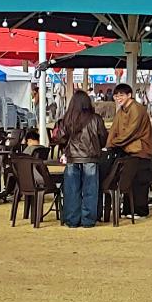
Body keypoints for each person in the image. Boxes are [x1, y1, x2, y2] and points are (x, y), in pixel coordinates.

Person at [53, 90, 108, 228]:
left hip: (72, 158)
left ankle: (72, 220)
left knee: (71, 190)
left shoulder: (67, 119)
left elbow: (60, 138)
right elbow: (103, 138)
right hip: (91, 158)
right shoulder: (96, 119)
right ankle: (88, 220)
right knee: (90, 190)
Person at [106, 83, 152, 218]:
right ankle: (128, 209)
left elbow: (131, 131)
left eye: (121, 95)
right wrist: (108, 145)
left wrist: (114, 143)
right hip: (128, 151)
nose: (118, 98)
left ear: (129, 95)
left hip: (141, 150)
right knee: (129, 180)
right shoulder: (121, 111)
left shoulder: (137, 109)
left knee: (140, 181)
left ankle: (140, 210)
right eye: (116, 95)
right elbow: (114, 129)